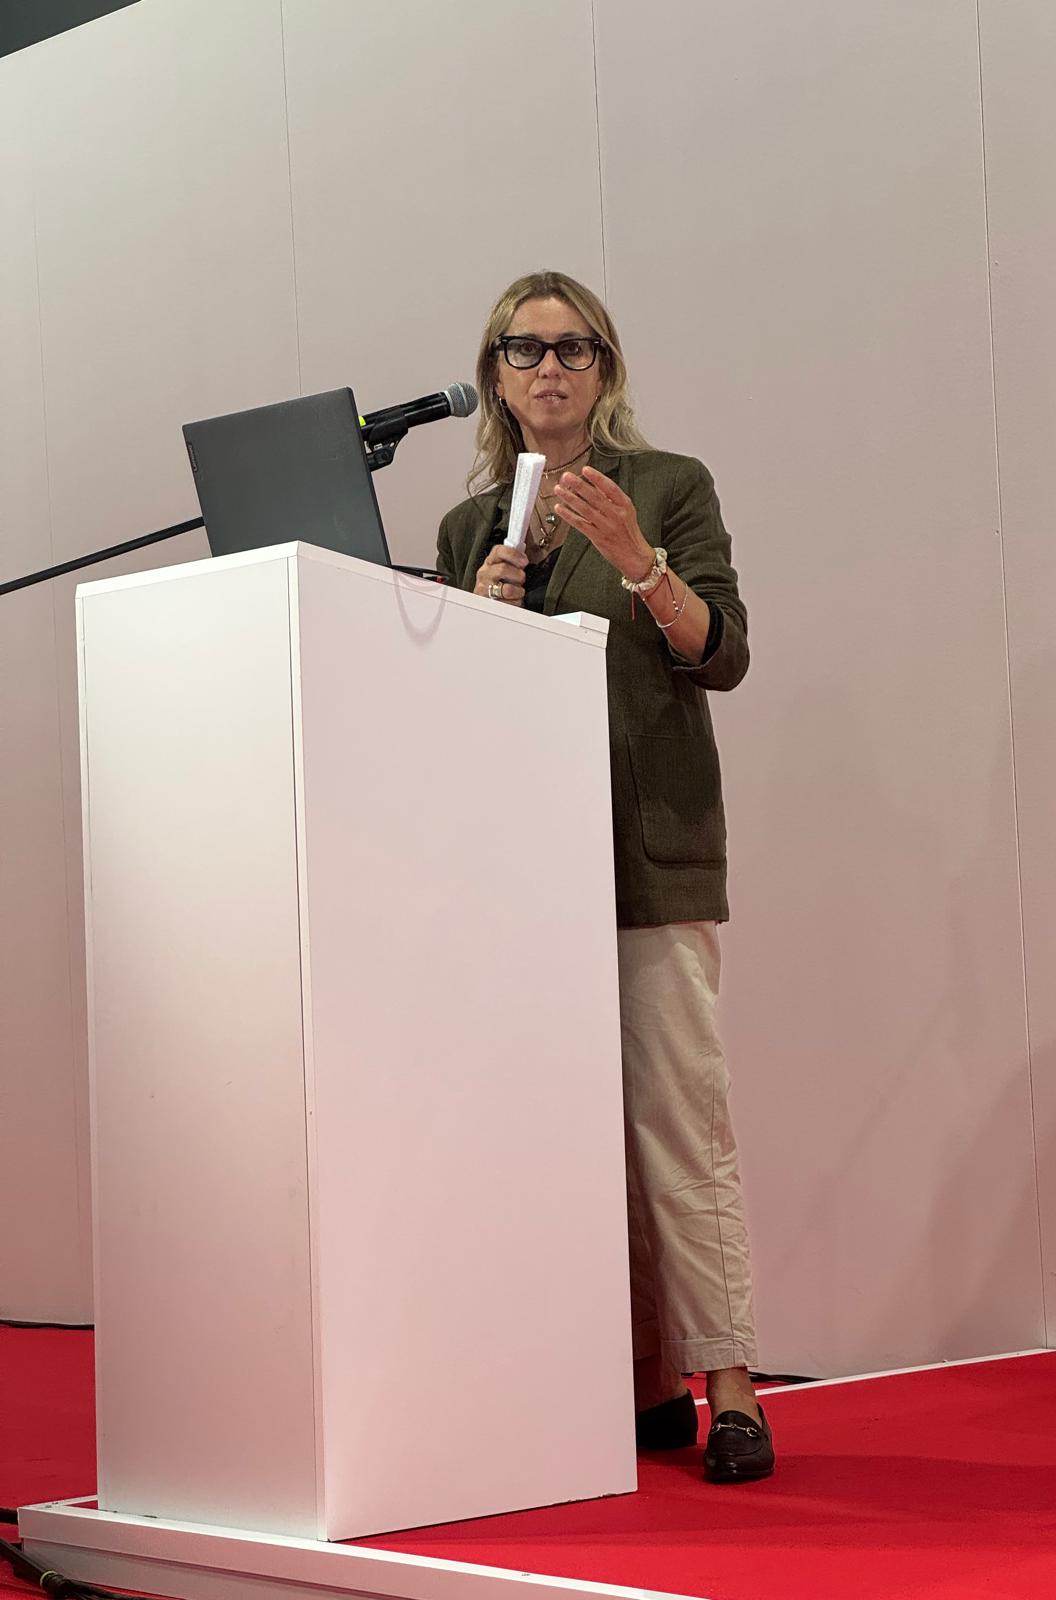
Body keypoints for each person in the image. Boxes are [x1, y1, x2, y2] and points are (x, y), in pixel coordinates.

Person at [436, 271, 772, 1483]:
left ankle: (731, 1385)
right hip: (526, 872)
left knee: (680, 1125)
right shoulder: (472, 527)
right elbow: (451, 707)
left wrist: (638, 559)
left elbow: (722, 653)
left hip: (645, 849)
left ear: (605, 368)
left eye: (574, 348)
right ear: (496, 374)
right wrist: (472, 618)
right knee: (576, 1141)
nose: (551, 368)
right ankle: (641, 1382)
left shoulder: (667, 485)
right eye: (526, 349)